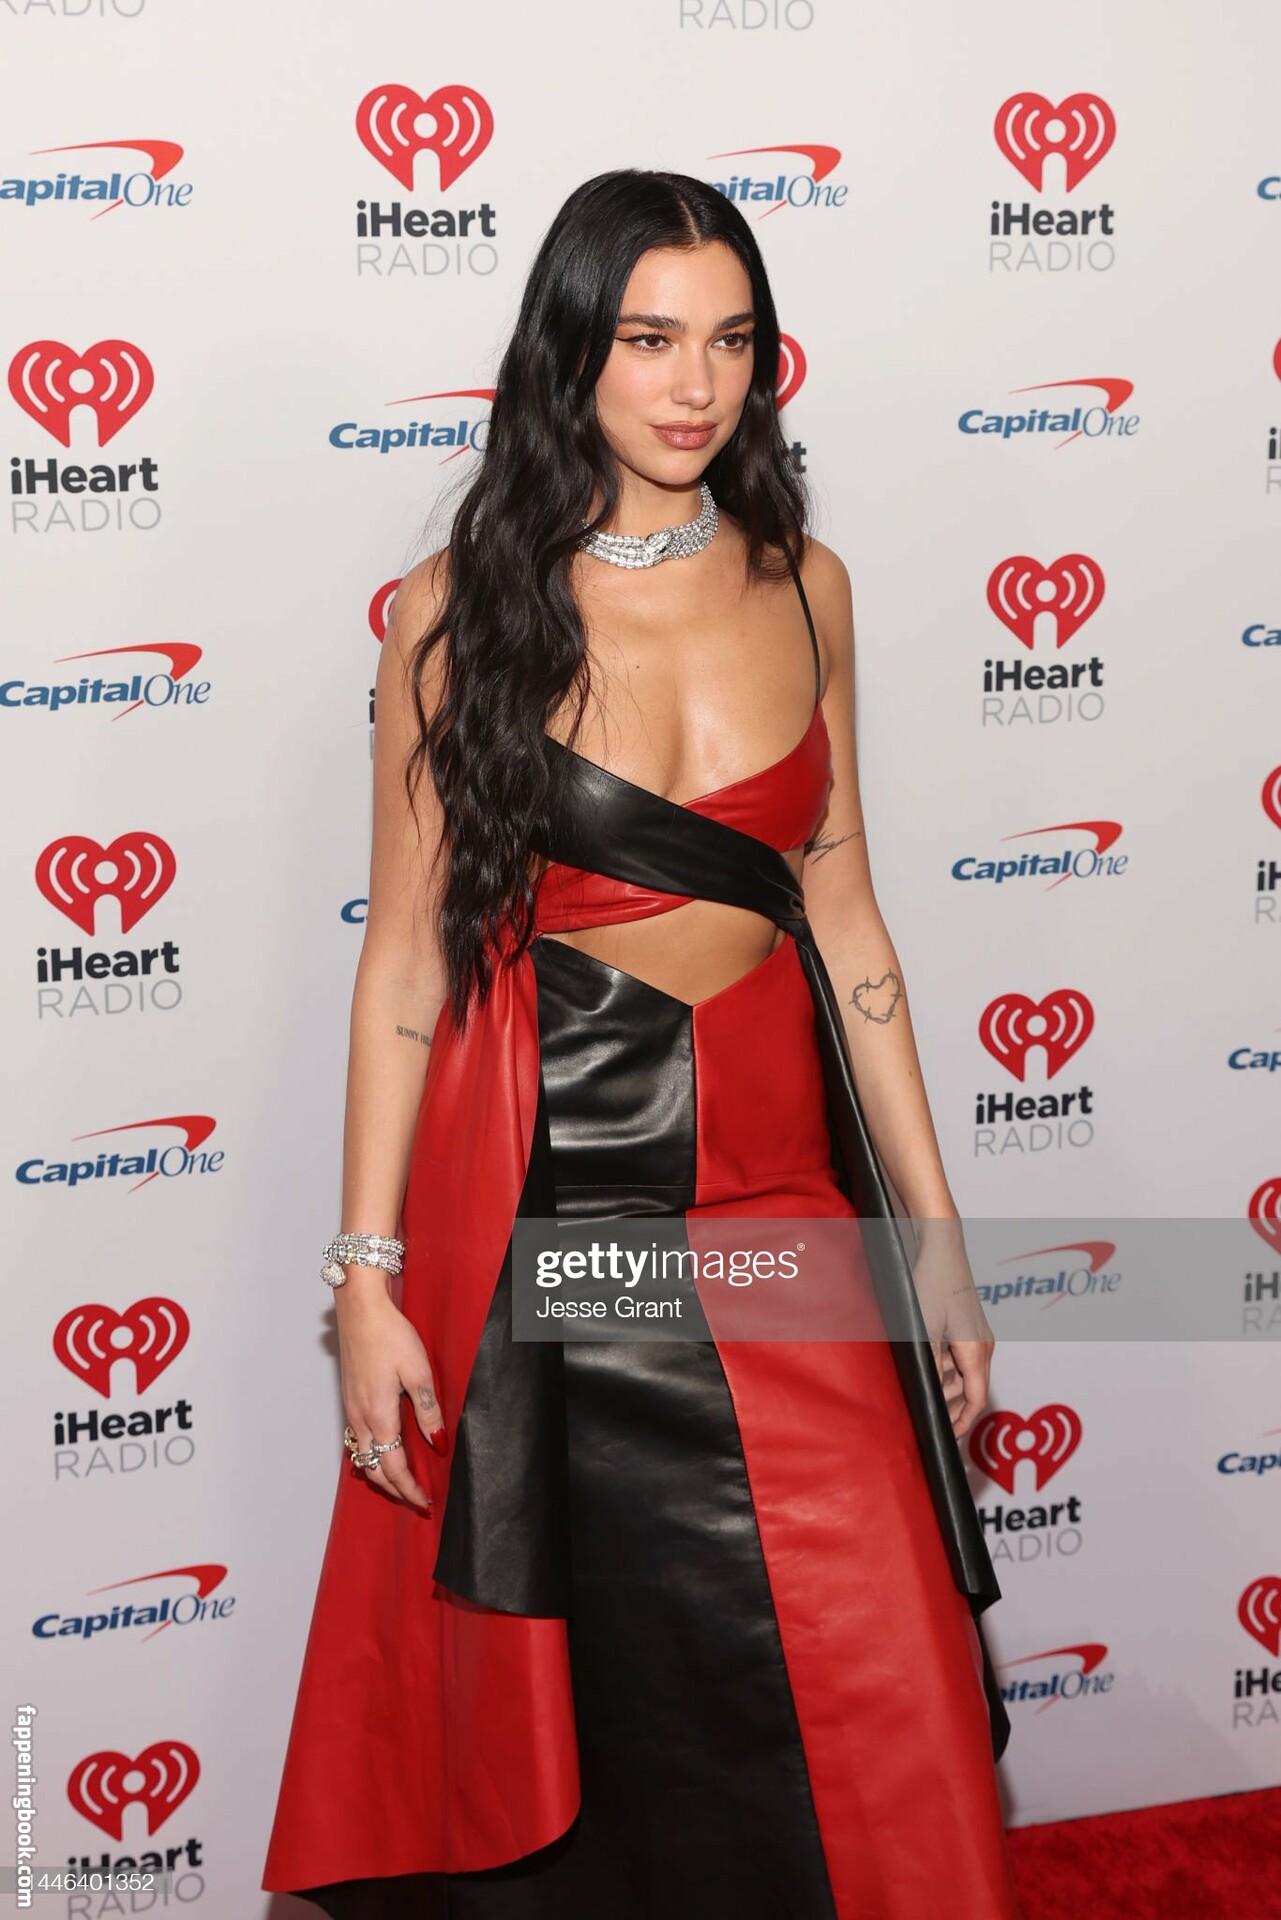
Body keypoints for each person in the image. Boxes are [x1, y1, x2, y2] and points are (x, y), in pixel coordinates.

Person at [262, 168, 1021, 1919]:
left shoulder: (806, 587)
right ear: (570, 354)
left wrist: (934, 1243)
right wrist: (368, 1274)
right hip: (557, 1215)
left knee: (878, 1648)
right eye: (649, 339)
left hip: (775, 1193)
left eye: (731, 341)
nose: (695, 385)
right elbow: (405, 963)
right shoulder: (459, 611)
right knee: (607, 1700)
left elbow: (846, 924)